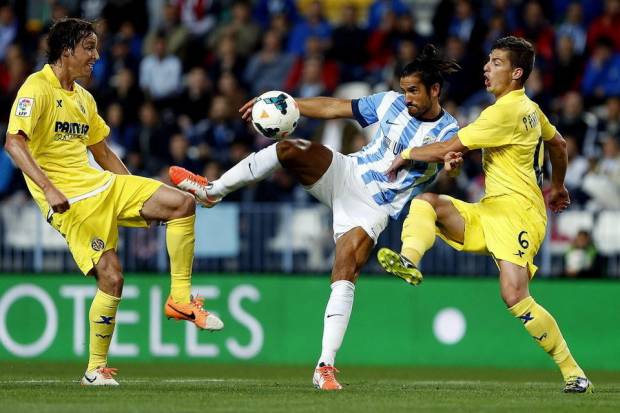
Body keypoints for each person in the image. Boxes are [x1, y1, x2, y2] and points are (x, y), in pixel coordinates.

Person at [170, 44, 461, 390]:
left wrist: (450, 170)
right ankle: (212, 191)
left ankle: (324, 365)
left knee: (345, 270)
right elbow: (336, 107)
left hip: (373, 207)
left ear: (435, 90)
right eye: (404, 89)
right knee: (288, 148)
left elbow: (449, 156)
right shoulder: (389, 103)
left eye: (413, 91)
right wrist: (287, 105)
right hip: (347, 171)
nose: (407, 97)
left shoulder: (450, 130)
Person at [4, 18, 223, 386]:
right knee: (113, 278)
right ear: (66, 50)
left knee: (180, 204)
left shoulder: (84, 99)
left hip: (102, 185)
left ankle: (180, 299)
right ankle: (95, 370)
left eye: (96, 48)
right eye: (89, 48)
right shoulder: (36, 88)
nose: (97, 56)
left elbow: (102, 152)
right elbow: (14, 142)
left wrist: (138, 198)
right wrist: (49, 189)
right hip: (70, 203)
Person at [377, 36, 592, 393]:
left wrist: (408, 153)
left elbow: (449, 145)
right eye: (488, 61)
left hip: (519, 214)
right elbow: (559, 145)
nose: (486, 68)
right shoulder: (531, 109)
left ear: (517, 72)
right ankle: (409, 259)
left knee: (514, 295)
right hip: (492, 209)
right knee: (427, 203)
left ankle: (574, 372)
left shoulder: (504, 111)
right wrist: (558, 187)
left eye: (496, 62)